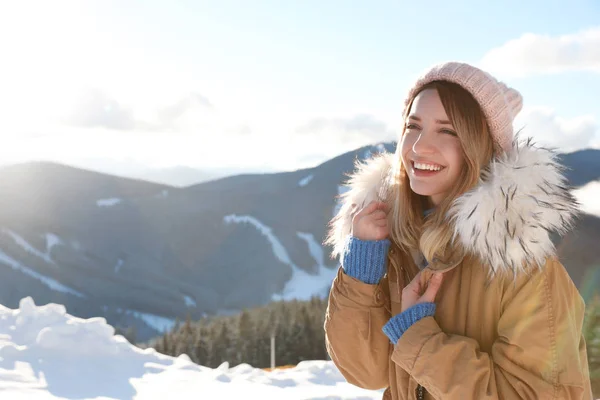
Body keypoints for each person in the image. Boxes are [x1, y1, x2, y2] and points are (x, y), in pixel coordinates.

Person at [323, 61, 593, 400]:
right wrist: (361, 272)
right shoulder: (395, 240)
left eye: (448, 130)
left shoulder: (524, 266)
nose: (420, 146)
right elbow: (365, 373)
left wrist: (419, 338)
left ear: (481, 145)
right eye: (413, 125)